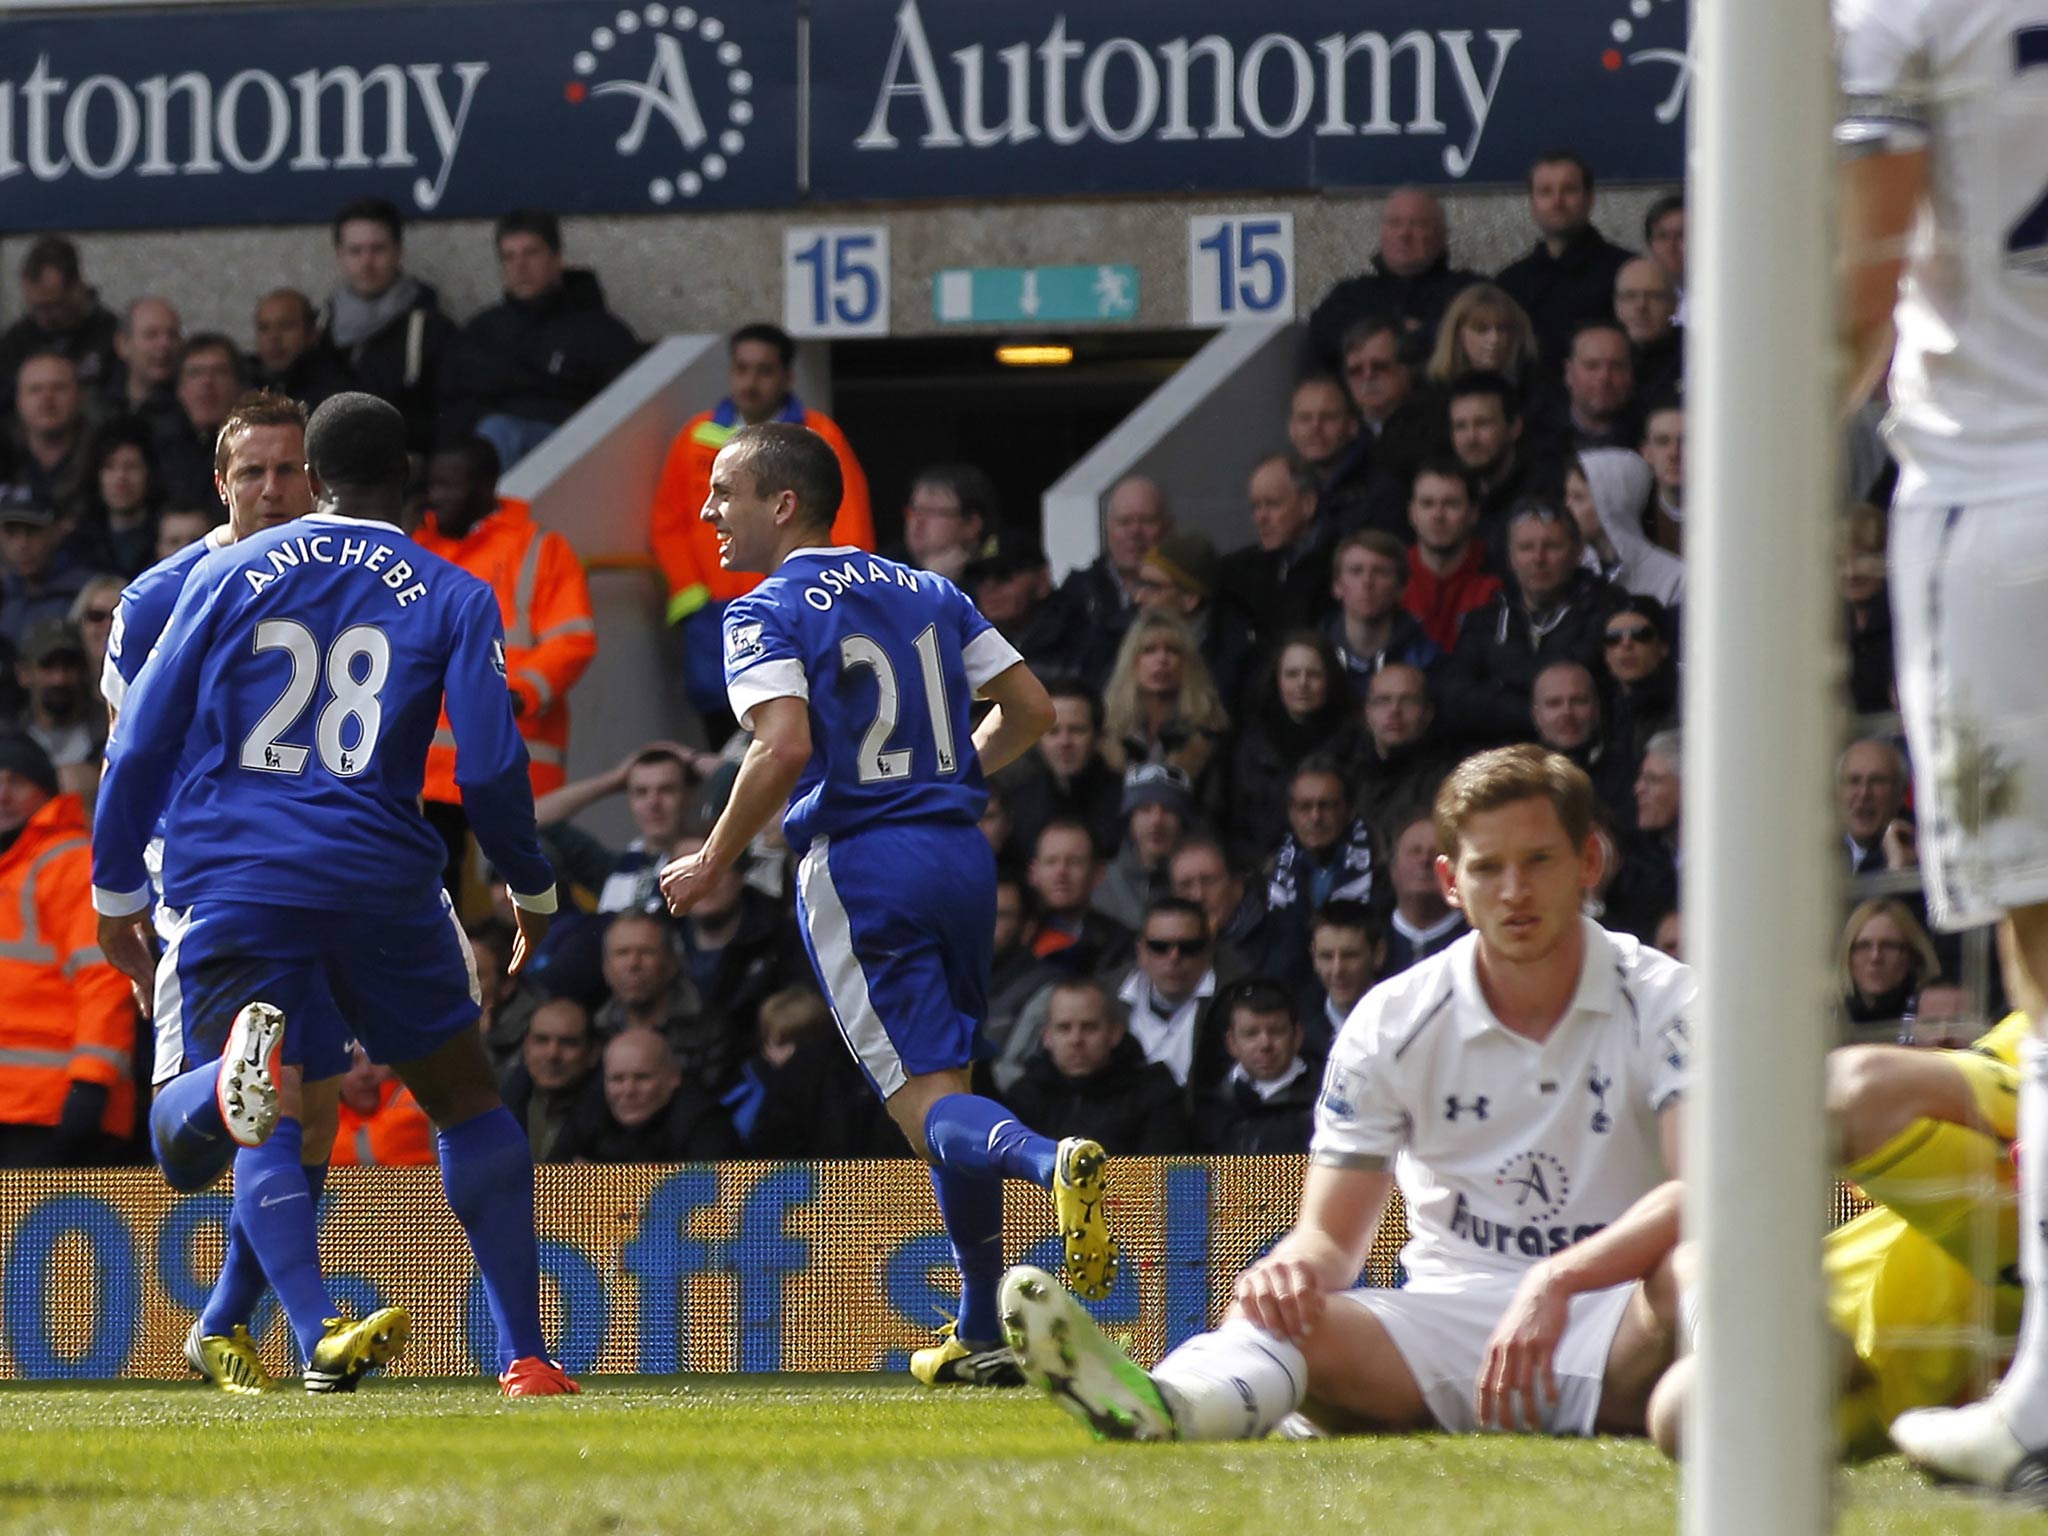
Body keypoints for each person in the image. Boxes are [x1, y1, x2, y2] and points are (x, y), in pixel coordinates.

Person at [91, 392, 577, 1397]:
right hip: (379, 879)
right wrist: (528, 887)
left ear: (311, 479)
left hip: (235, 876)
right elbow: (487, 770)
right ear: (405, 478)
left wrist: (113, 889)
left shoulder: (216, 575)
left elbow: (137, 742)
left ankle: (219, 1113)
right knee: (465, 1100)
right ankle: (525, 1357)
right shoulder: (452, 587)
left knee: (242, 1114)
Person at [1003, 744, 1688, 1445]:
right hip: (1443, 1330)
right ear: (1451, 880)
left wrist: (1557, 1280)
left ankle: (1725, 1401)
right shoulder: (1393, 1019)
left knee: (1697, 1267)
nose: (1514, 890)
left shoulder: (1668, 998)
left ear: (1589, 864)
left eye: (1539, 861)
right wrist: (1289, 1270)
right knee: (1279, 1311)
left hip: (1617, 1313)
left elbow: (1704, 1188)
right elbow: (1331, 1237)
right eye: (1488, 867)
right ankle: (1172, 1406)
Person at [657, 419, 1119, 1389]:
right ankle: (979, 1327)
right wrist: (949, 774)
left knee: (925, 1108)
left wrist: (709, 856)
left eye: (724, 492)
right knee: (945, 1083)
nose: (707, 512)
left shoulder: (761, 608)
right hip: (958, 856)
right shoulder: (928, 589)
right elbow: (1031, 709)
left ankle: (1047, 1161)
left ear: (782, 505)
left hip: (863, 866)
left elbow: (780, 746)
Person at [649, 323, 873, 734]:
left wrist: (832, 601)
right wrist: (693, 597)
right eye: (741, 369)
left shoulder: (819, 437)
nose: (750, 382)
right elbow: (670, 524)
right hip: (713, 614)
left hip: (797, 608)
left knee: (795, 726)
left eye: (764, 371)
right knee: (723, 732)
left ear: (787, 377)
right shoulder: (697, 436)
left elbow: (849, 524)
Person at [415, 434, 597, 890]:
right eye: (432, 485)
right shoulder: (420, 547)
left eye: (448, 485)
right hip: (433, 770)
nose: (436, 496)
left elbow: (573, 640)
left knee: (521, 883)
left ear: (485, 486)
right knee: (436, 884)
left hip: (513, 750)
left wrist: (521, 694)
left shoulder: (540, 549)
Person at [0, 733, 137, 1168]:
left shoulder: (70, 862)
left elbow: (104, 979)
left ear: (44, 791)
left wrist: (90, 1085)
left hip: (54, 1111)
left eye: (17, 780)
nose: (2, 793)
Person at [441, 209, 643, 468]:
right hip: (488, 457)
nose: (520, 266)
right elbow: (452, 411)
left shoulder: (602, 333)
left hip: (574, 457)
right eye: (509, 257)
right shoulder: (482, 332)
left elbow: (624, 417)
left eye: (531, 253)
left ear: (557, 258)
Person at [1441, 500, 1623, 748]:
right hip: (1503, 764)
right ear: (1511, 557)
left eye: (1552, 546)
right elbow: (1457, 700)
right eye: (1526, 547)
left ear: (1578, 551)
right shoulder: (1484, 620)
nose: (1538, 558)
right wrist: (1542, 712)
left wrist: (1499, 688)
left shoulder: (1606, 610)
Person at [315, 197, 458, 454]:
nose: (367, 262)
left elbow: (446, 414)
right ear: (340, 256)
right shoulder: (320, 327)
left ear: (399, 252)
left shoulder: (430, 329)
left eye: (378, 249)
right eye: (355, 251)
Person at [1001, 978, 1193, 1156]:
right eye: (1064, 1028)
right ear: (1047, 1037)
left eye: (1089, 1027)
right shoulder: (1023, 1097)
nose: (1076, 1040)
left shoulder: (1155, 1095)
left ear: (1115, 1033)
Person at [1305, 188, 1480, 371]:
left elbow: (1475, 341)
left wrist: (1373, 332)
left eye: (1418, 224)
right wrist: (1406, 329)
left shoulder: (1469, 292)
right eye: (1394, 223)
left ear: (1442, 236)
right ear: (1382, 234)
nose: (1404, 234)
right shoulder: (1349, 295)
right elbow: (1322, 337)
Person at [1494, 150, 1637, 371]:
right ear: (1532, 204)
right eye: (1545, 192)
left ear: (1590, 199)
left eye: (1569, 190)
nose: (1557, 202)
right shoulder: (1510, 284)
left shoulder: (1627, 274)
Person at [1231, 631, 1359, 861]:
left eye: (1313, 674)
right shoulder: (1251, 745)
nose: (1302, 684)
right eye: (1292, 674)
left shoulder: (1356, 742)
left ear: (1330, 679)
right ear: (1277, 679)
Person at [1098, 610, 1231, 816]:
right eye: (1149, 650)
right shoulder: (1106, 734)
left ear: (1188, 663)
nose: (1162, 660)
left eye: (1173, 651)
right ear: (1132, 661)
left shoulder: (1211, 732)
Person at [549, 1028, 738, 1163]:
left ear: (673, 1078)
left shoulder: (704, 1122)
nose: (628, 1090)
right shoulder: (589, 1110)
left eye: (642, 1078)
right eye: (617, 1079)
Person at [1055, 474, 1169, 690]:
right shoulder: (1076, 595)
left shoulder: (1183, 594)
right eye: (1124, 522)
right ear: (1107, 529)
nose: (1135, 532)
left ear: (1168, 527)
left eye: (1146, 521)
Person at [1265, 757, 1384, 951]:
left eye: (1326, 805)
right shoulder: (1270, 874)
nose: (1315, 817)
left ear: (1349, 810)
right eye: (1304, 807)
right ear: (1291, 813)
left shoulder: (1380, 866)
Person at [1132, 531, 1257, 715]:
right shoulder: (1128, 635)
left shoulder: (1235, 656)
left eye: (1154, 587)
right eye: (1140, 583)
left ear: (1189, 598)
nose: (1138, 597)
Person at [1000, 677, 1124, 861]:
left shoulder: (1126, 802)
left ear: (1099, 737)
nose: (1064, 742)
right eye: (1053, 732)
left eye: (1077, 730)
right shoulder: (1018, 805)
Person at [1222, 453, 1336, 643]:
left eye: (1272, 504)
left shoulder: (1337, 566)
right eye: (1255, 506)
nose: (1260, 518)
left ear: (1308, 504)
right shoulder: (1239, 570)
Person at [0, 236, 118, 413]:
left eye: (52, 306)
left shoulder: (112, 337)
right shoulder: (15, 342)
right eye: (35, 307)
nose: (43, 317)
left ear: (77, 287)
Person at [1201, 979, 1319, 1155]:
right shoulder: (1209, 1107)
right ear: (1231, 1043)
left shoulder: (1324, 1100)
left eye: (1276, 1031)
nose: (1265, 1044)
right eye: (1251, 1034)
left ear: (1297, 1037)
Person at [1324, 531, 1441, 697]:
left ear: (1401, 588)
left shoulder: (1426, 658)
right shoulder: (1314, 655)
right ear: (1337, 586)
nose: (1367, 582)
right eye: (1356, 571)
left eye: (1380, 572)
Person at [1401, 460, 1502, 652]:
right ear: (1412, 513)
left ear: (1473, 513)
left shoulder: (1499, 577)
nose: (1438, 515)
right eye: (1427, 504)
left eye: (1451, 504)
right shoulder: (1391, 575)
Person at [1352, 661, 1459, 839]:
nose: (1394, 710)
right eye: (1383, 701)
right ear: (1367, 712)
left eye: (1408, 701)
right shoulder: (1345, 773)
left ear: (1428, 713)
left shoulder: (1447, 783)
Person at [1566, 450, 1683, 610]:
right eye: (1568, 497)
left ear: (1610, 504)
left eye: (1578, 497)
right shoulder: (1571, 571)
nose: (1567, 507)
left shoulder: (1676, 579)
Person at [1095, 764, 1195, 934]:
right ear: (1130, 820)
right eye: (1144, 809)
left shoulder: (1198, 885)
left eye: (1168, 809)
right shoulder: (1100, 886)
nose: (1156, 820)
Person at [500, 998, 601, 1162]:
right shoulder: (500, 1106)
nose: (552, 1054)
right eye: (541, 1040)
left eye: (568, 1043)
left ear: (593, 1053)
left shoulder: (614, 1116)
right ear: (526, 1048)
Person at [153, 334, 245, 510]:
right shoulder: (157, 445)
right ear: (179, 388)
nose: (207, 382)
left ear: (237, 385)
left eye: (219, 371)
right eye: (195, 373)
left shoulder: (253, 446)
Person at [64, 421, 162, 580]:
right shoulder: (79, 543)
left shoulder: (167, 535)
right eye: (109, 467)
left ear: (149, 474)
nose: (120, 477)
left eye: (131, 466)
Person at [0, 483, 89, 650]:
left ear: (56, 531)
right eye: (11, 532)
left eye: (33, 531)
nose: (22, 544)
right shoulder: (5, 595)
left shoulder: (85, 594)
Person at [1381, 809, 1468, 976]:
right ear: (1393, 868)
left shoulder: (1479, 944)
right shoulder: (1367, 940)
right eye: (1415, 851)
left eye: (1436, 853)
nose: (1424, 861)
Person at [10, 352, 91, 528]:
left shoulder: (102, 460)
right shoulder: (6, 463)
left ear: (80, 396)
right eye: (35, 389)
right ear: (18, 400)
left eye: (59, 388)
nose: (47, 397)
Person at [1840, 898, 1943, 1036]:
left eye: (1889, 946)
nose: (1875, 957)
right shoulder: (1825, 1019)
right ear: (1848, 955)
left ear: (1912, 956)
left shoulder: (1934, 1017)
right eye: (1863, 946)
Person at [330, 1044, 435, 1167]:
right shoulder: (329, 1116)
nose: (365, 1073)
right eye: (352, 1062)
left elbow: (383, 1148)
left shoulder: (418, 1103)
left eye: (375, 1059)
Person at [250, 289, 353, 414]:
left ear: (312, 332)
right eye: (264, 328)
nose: (273, 337)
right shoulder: (246, 384)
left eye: (286, 326)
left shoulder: (337, 390)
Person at [896, 462, 996, 581]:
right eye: (914, 510)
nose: (918, 521)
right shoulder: (886, 568)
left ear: (971, 524)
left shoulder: (996, 578)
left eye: (931, 512)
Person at [1305, 899, 1381, 1053]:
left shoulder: (1402, 1025)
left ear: (1378, 954)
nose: (1337, 970)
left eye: (1350, 955)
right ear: (1313, 958)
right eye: (1326, 956)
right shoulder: (1301, 1035)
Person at [105, 297, 183, 438]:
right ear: (123, 344)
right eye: (152, 335)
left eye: (172, 335)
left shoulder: (189, 410)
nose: (164, 344)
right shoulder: (99, 405)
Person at [1612, 259, 1683, 406]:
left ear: (1674, 304)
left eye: (1654, 296)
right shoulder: (1602, 354)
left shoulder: (1699, 355)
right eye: (1630, 296)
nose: (1641, 306)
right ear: (1616, 305)